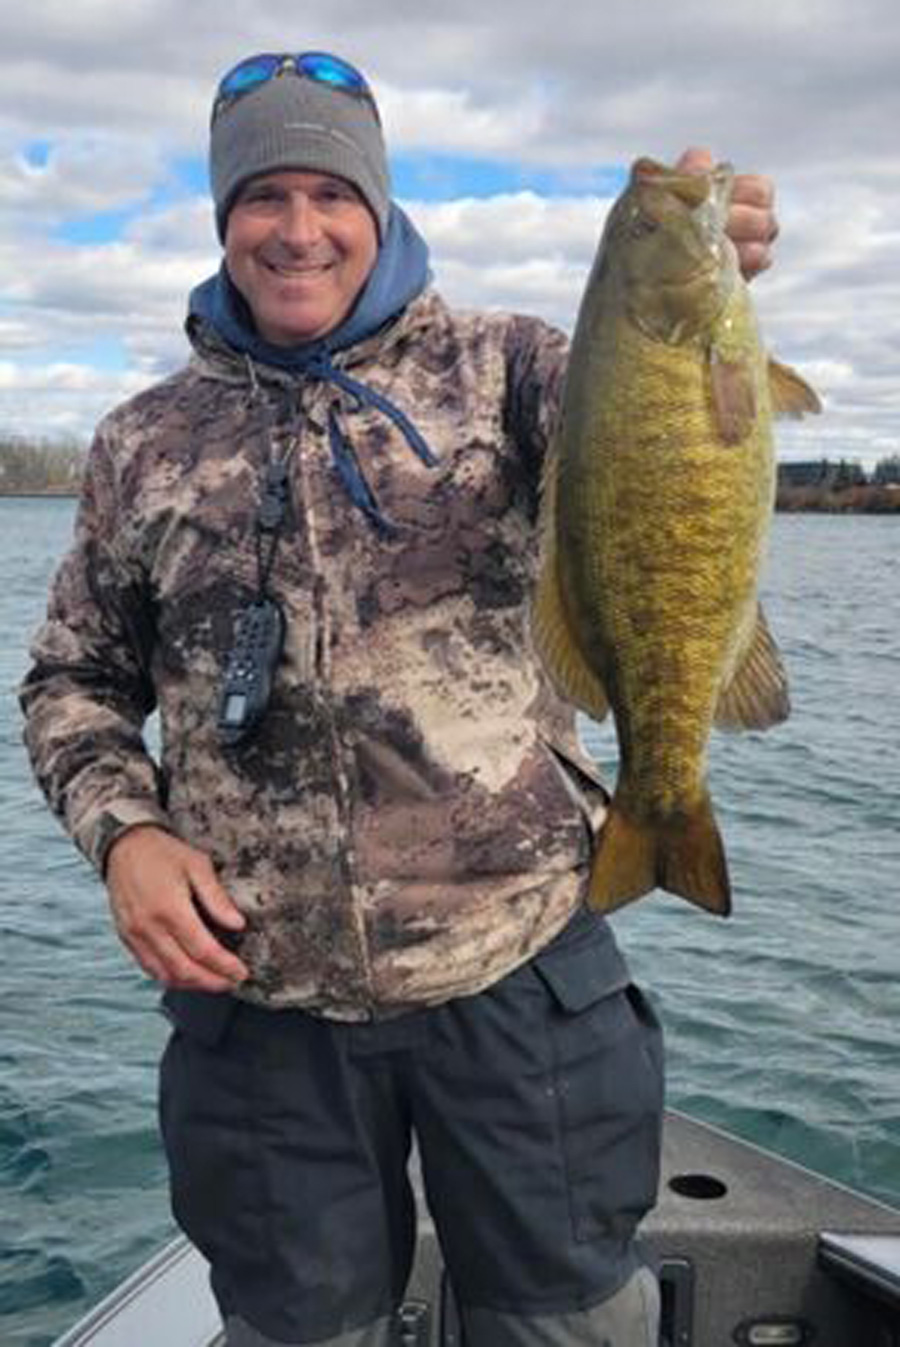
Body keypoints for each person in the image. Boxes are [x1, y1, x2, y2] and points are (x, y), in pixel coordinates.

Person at [20, 50, 781, 1347]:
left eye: (332, 191)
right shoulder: (143, 442)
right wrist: (125, 836)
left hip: (521, 972)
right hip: (257, 1002)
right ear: (223, 219)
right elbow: (72, 681)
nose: (299, 229)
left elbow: (664, 440)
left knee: (567, 1327)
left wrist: (705, 286)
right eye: (265, 196)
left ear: (381, 208)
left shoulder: (518, 370)